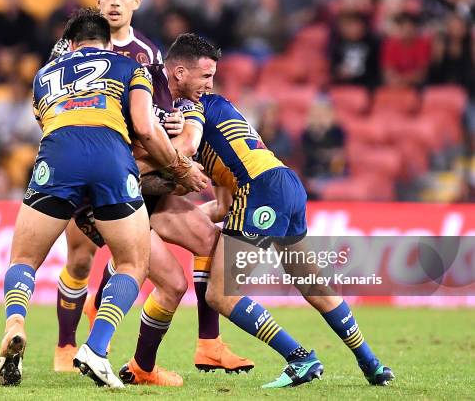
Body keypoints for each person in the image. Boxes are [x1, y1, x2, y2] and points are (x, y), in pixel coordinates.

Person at [0, 8, 206, 389]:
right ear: (108, 43)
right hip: (111, 158)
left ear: (72, 44)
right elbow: (144, 126)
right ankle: (96, 347)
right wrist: (178, 168)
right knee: (131, 263)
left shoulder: (44, 75)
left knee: (24, 259)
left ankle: (15, 324)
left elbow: (46, 121)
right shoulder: (130, 66)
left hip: (58, 157)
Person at [168, 33, 394, 388]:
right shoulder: (224, 113)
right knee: (313, 284)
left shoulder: (189, 106)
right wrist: (186, 220)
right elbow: (225, 206)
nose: (209, 84)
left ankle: (300, 358)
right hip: (285, 183)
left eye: (212, 78)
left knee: (219, 294)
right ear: (180, 72)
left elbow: (188, 143)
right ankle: (372, 364)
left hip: (259, 189)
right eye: (206, 77)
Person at [53, 0, 253, 382]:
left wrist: (180, 158)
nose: (209, 87)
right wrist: (177, 168)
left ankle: (206, 343)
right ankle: (83, 340)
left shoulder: (151, 61)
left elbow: (174, 137)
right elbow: (139, 144)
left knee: (212, 245)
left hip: (145, 193)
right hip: (103, 185)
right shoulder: (86, 56)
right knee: (90, 261)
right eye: (206, 78)